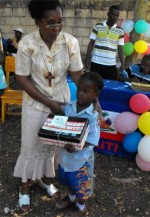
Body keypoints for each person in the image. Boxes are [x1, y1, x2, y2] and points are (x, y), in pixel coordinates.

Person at [13, 0, 84, 214]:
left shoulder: (70, 42)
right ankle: (24, 186)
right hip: (36, 103)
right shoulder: (28, 44)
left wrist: (90, 97)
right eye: (50, 23)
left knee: (53, 145)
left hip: (61, 102)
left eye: (60, 22)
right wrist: (48, 102)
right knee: (30, 144)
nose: (56, 28)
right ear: (37, 22)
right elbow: (22, 79)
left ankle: (45, 179)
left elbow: (78, 73)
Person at [55, 72, 103, 217]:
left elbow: (94, 139)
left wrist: (78, 146)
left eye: (86, 91)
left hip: (81, 159)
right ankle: (70, 198)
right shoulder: (69, 107)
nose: (81, 94)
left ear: (96, 94)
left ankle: (81, 206)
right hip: (65, 156)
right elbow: (62, 125)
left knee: (80, 183)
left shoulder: (93, 115)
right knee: (66, 179)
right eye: (79, 89)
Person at [85, 5, 124, 80]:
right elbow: (91, 43)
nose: (115, 17)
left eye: (117, 15)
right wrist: (87, 58)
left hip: (110, 64)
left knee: (109, 86)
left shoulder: (120, 30)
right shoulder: (98, 26)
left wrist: (122, 63)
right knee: (94, 84)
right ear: (108, 14)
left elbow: (120, 48)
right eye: (113, 14)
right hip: (96, 62)